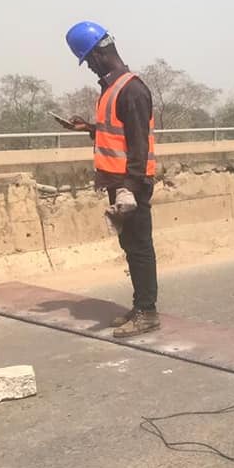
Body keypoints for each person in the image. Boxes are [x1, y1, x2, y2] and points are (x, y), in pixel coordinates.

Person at [61, 21, 160, 338]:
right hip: (118, 184)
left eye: (88, 60)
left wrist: (129, 190)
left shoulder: (132, 89)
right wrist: (88, 128)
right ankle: (139, 305)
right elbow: (114, 133)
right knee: (130, 246)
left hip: (132, 185)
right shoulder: (111, 89)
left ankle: (147, 312)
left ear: (100, 55)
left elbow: (139, 145)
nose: (89, 67)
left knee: (140, 247)